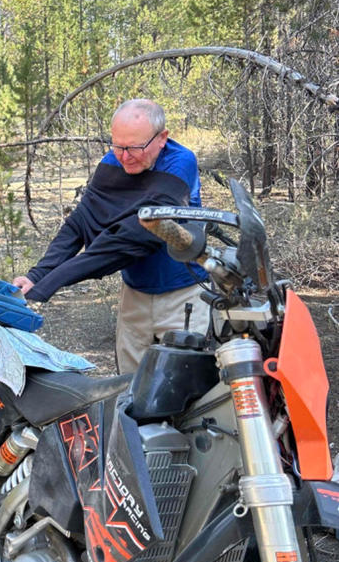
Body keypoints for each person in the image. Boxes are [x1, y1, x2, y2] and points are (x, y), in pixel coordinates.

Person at [13, 98, 209, 373]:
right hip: (135, 295)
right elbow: (82, 220)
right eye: (117, 145)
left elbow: (133, 239)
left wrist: (50, 283)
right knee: (128, 386)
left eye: (134, 147)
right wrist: (37, 275)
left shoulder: (179, 163)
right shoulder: (113, 161)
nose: (124, 156)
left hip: (182, 296)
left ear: (161, 138)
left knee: (183, 386)